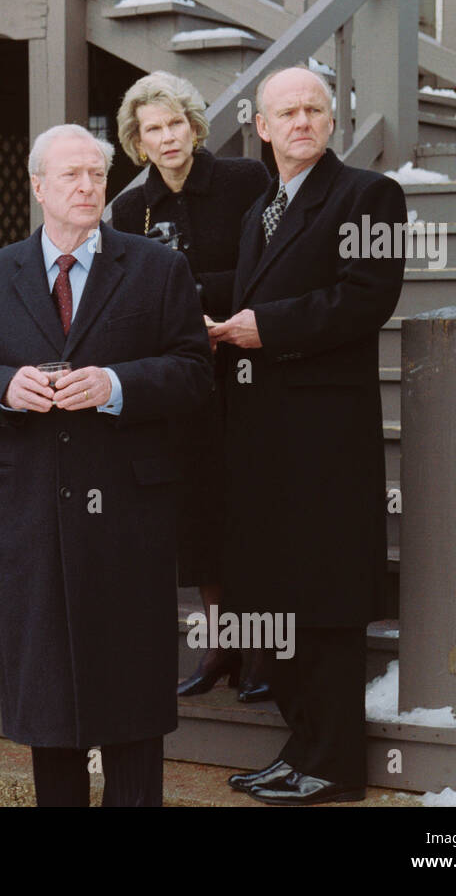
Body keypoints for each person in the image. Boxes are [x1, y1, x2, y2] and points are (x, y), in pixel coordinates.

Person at [0, 124, 211, 806]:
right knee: (49, 711)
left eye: (97, 174)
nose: (88, 186)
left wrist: (117, 385)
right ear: (39, 187)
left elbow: (194, 373)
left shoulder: (157, 267)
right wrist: (4, 386)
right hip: (32, 518)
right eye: (71, 175)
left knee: (131, 706)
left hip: (127, 519)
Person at [210, 65, 405, 805]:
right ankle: (300, 748)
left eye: (314, 109)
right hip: (263, 443)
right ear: (261, 128)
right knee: (279, 598)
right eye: (286, 112)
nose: (301, 121)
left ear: (332, 122)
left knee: (325, 605)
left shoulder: (369, 195)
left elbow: (368, 296)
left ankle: (336, 764)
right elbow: (251, 292)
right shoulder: (260, 206)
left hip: (325, 444)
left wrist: (269, 328)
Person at [110, 71, 271, 701]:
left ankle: (262, 648)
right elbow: (130, 293)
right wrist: (179, 320)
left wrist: (198, 302)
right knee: (200, 512)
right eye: (154, 129)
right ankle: (219, 646)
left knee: (251, 508)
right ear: (138, 141)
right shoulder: (128, 208)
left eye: (176, 123)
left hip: (251, 370)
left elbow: (267, 264)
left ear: (195, 126)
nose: (168, 137)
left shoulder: (244, 180)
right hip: (183, 379)